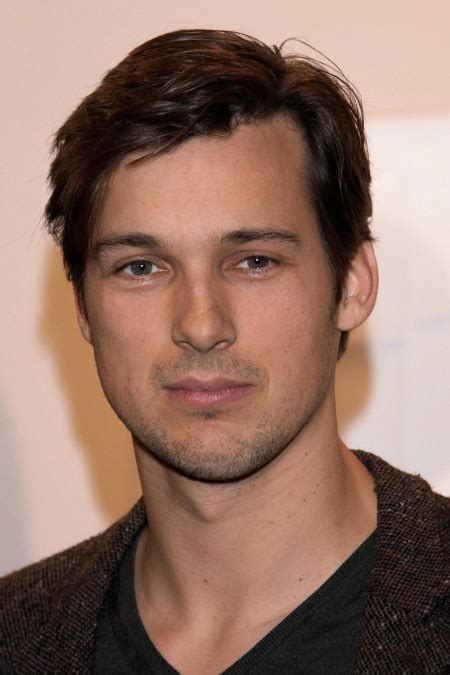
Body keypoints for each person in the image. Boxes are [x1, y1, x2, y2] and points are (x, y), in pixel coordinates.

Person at [0, 28, 448, 674]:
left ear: (352, 283)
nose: (201, 324)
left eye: (254, 261)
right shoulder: (16, 637)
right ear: (83, 308)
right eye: (141, 267)